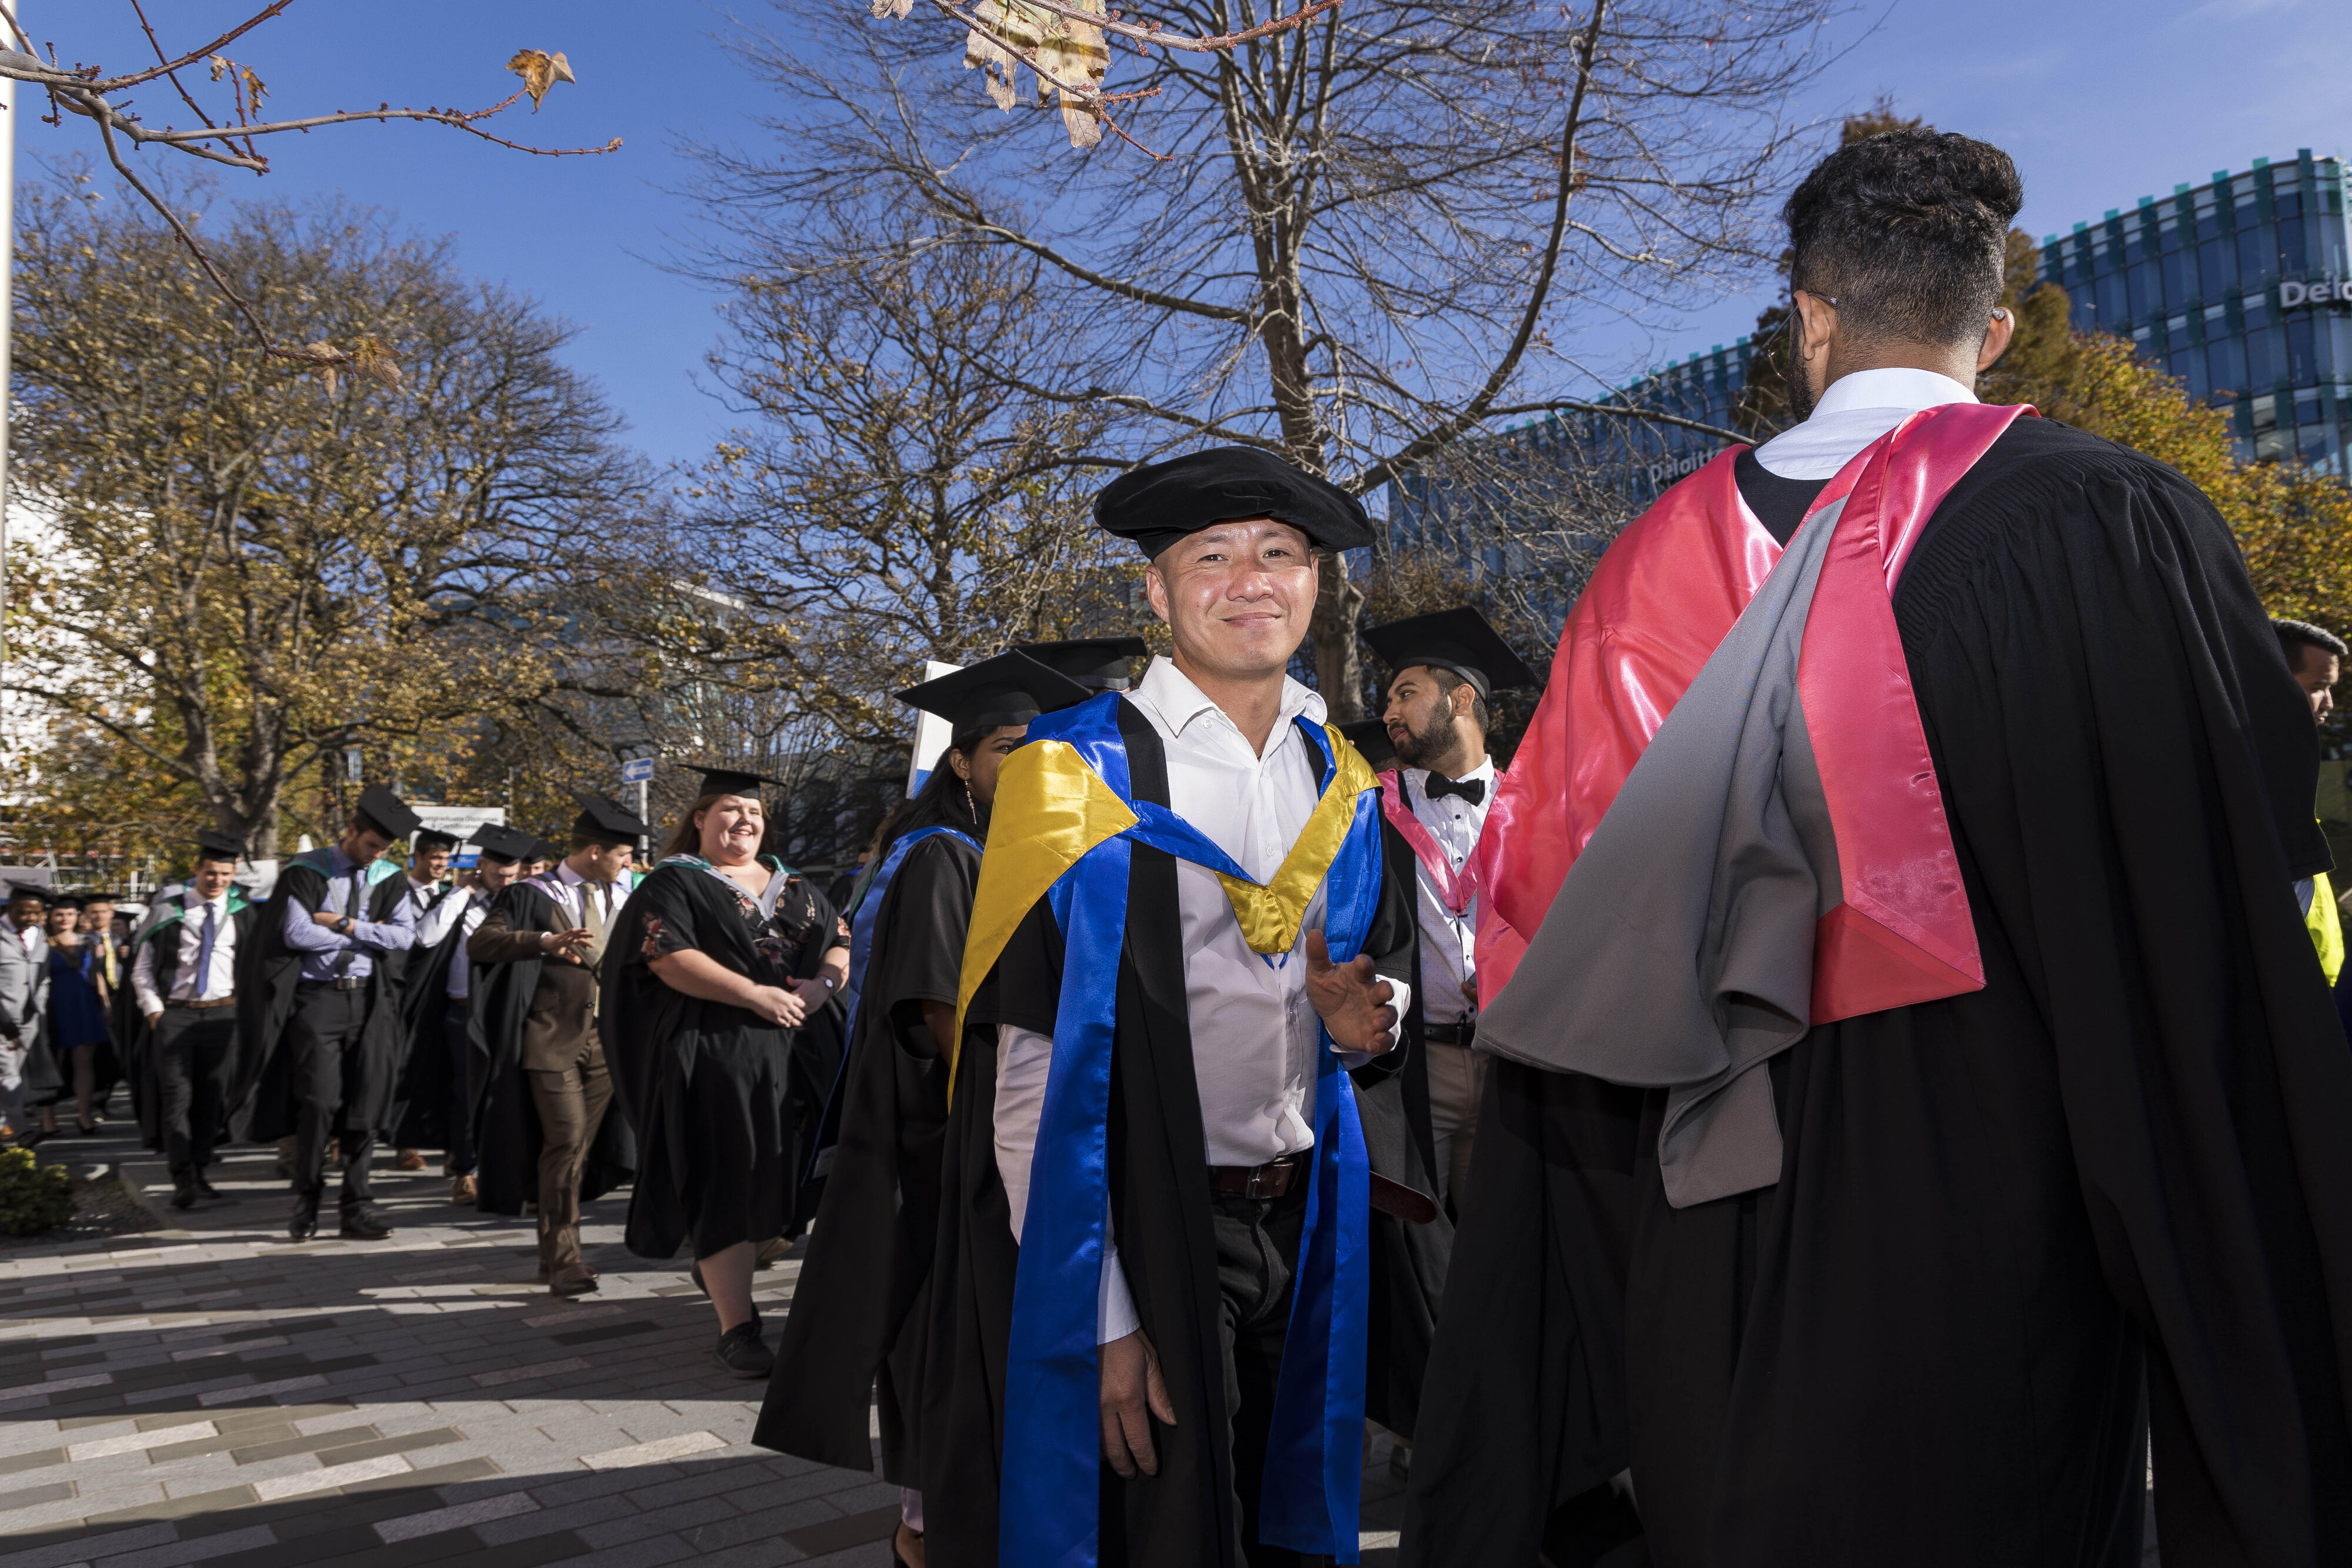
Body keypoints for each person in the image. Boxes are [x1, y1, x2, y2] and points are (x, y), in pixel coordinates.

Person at [1404, 128, 2352, 1568]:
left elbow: (1553, 969)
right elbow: (2207, 907)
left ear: (1810, 317)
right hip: (1996, 1234)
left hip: (1695, 1218)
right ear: (2000, 327)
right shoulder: (2101, 518)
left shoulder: (1639, 573)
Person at [940, 446, 1418, 1568]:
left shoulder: (1337, 775)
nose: (1251, 580)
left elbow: (1366, 971)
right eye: (1212, 557)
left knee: (1287, 1509)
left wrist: (1370, 1010)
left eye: (1280, 554)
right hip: (1150, 1220)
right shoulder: (1072, 777)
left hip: (1305, 1210)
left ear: (1315, 585)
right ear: (1156, 592)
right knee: (1162, 1532)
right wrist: (1097, 1312)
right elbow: (1025, 1078)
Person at [760, 650, 1092, 1568]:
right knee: (948, 1344)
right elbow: (940, 1017)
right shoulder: (944, 857)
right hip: (947, 1143)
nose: (1024, 765)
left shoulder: (1007, 851)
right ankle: (926, 1533)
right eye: (1006, 747)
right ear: (961, 762)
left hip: (984, 1133)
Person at [601, 768, 851, 1373]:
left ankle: (727, 1269)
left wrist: (823, 984)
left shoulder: (795, 885)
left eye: (755, 813)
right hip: (718, 1055)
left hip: (800, 1061)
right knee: (727, 1182)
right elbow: (667, 955)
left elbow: (839, 940)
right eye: (731, 810)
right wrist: (752, 994)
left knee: (791, 1178)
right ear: (700, 817)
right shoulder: (676, 882)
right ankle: (737, 1326)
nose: (745, 821)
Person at [466, 799, 649, 1296]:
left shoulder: (630, 896)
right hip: (549, 1042)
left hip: (607, 1046)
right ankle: (567, 1259)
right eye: (624, 855)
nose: (628, 863)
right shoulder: (531, 893)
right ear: (595, 851)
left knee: (578, 1151)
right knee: (565, 1144)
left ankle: (553, 1257)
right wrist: (542, 942)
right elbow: (481, 944)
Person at [232, 785, 422, 1243]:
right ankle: (308, 1199)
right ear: (351, 831)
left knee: (365, 1101)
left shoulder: (389, 878)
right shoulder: (306, 870)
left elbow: (405, 938)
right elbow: (297, 934)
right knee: (318, 1102)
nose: (376, 855)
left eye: (384, 849)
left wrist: (343, 925)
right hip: (317, 1001)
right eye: (372, 845)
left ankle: (356, 1206)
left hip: (370, 1001)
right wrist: (371, 936)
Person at [132, 835, 257, 1209]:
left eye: (224, 874)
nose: (216, 880)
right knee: (177, 1098)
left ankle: (201, 1170)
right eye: (210, 873)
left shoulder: (244, 914)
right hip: (177, 1014)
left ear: (234, 874)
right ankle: (181, 1176)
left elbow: (254, 969)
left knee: (211, 1098)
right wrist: (155, 1011)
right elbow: (141, 968)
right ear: (196, 871)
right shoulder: (168, 911)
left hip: (223, 1015)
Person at [386, 829, 461, 1172]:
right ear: (416, 857)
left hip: (441, 994)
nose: (440, 866)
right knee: (405, 1067)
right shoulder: (393, 892)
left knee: (442, 1069)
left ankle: (448, 1145)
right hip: (401, 993)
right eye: (434, 858)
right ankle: (405, 1143)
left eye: (445, 860)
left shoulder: (452, 896)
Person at [2277, 619, 2346, 984]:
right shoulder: (2246, 773)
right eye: (2319, 688)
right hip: (2290, 986)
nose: (2330, 704)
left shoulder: (2292, 769)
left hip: (2316, 979)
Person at [44, 896, 112, 1136]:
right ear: (51, 918)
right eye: (60, 915)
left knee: (84, 1063)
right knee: (53, 1062)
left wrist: (104, 1004)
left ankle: (84, 1115)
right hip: (54, 1006)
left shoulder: (88, 942)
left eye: (70, 914)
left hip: (84, 1006)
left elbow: (99, 975)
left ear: (77, 917)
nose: (65, 919)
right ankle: (48, 1118)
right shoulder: (43, 944)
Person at [0, 883, 51, 1147]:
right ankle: (22, 1131)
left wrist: (40, 1003)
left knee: (14, 1072)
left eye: (36, 914)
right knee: (8, 1073)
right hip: (2, 1018)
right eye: (23, 913)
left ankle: (6, 1126)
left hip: (29, 1018)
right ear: (10, 908)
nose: (30, 919)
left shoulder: (39, 934)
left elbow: (42, 973)